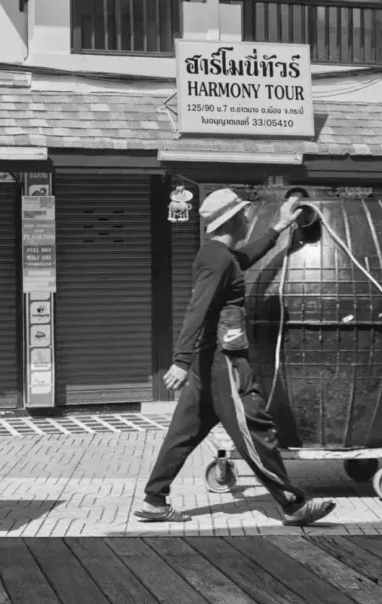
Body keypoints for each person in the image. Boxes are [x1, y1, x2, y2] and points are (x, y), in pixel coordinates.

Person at [135, 188, 336, 526]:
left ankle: (155, 501)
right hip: (222, 361)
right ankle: (292, 504)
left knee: (182, 433)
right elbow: (198, 309)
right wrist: (181, 359)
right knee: (255, 427)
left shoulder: (218, 255)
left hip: (207, 362)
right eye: (243, 215)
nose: (246, 220)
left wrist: (279, 227)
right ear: (232, 220)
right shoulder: (217, 260)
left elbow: (244, 258)